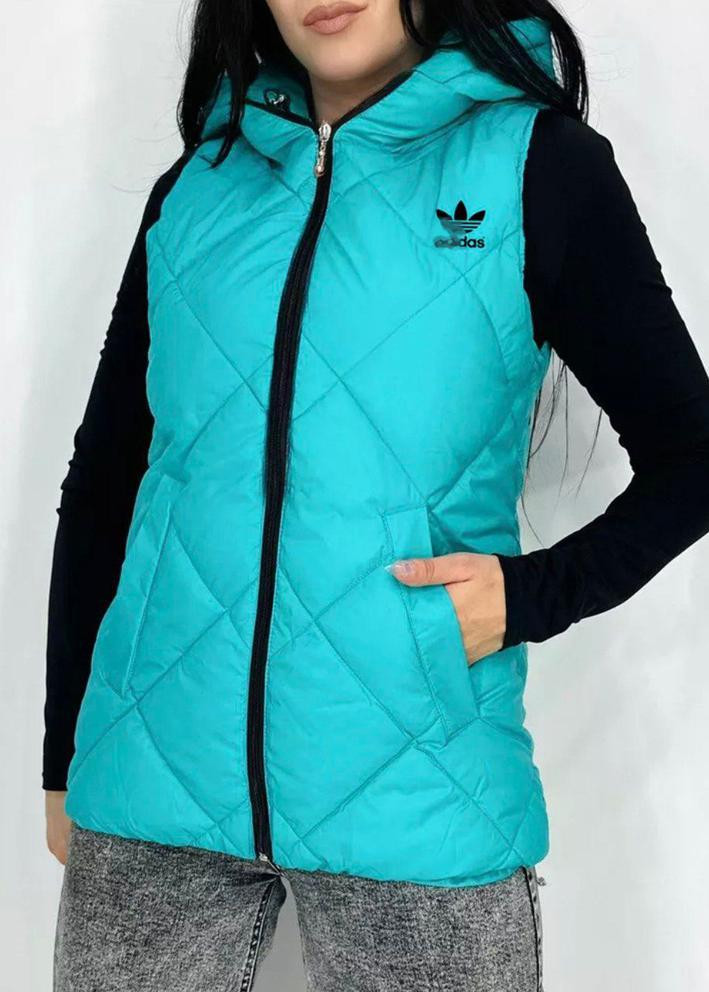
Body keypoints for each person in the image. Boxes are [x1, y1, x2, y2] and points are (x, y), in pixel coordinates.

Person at [44, 1, 709, 989]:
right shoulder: (197, 186)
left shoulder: (537, 167)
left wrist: (525, 595)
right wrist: (63, 750)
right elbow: (106, 478)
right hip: (149, 783)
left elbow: (691, 456)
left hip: (421, 796)